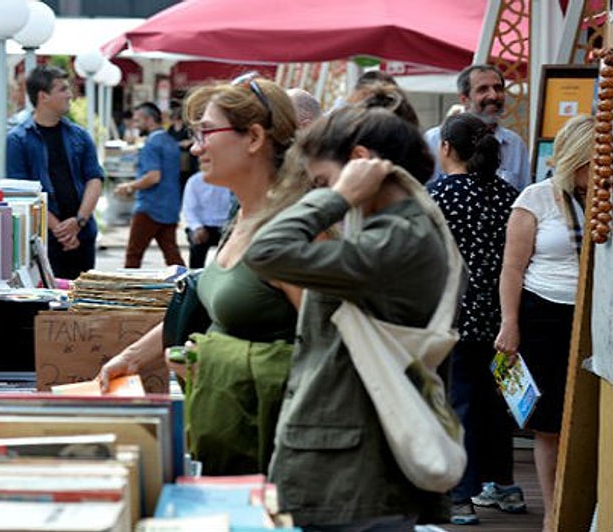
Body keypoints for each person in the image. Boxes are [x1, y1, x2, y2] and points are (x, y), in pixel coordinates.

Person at [244, 106, 451, 529]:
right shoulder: (392, 230)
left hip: (354, 478)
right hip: (352, 467)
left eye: (319, 182)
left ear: (359, 164)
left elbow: (266, 250)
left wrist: (337, 197)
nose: (316, 192)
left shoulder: (397, 240)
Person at [98, 75, 306, 476]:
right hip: (236, 446)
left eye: (206, 132)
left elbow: (330, 349)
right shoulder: (242, 217)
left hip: (278, 459)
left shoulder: (294, 231)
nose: (195, 147)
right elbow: (208, 301)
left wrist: (210, 362)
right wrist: (132, 358)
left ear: (254, 137)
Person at [494, 114, 592, 532]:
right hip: (544, 312)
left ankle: (589, 507)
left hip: (594, 318)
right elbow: (512, 269)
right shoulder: (535, 197)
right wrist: (509, 323)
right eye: (592, 160)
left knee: (591, 415)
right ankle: (553, 513)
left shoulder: (603, 197)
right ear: (574, 157)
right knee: (549, 422)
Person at [427, 113, 520, 525]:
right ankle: (502, 484)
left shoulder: (437, 195)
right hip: (501, 315)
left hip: (452, 313)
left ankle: (460, 495)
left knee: (458, 402)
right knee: (496, 402)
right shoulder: (506, 194)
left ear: (445, 147)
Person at [6, 65, 105, 280]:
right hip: (42, 240)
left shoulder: (80, 135)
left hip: (83, 235)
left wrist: (78, 222)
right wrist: (61, 230)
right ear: (43, 96)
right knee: (48, 309)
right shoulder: (18, 140)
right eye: (63, 89)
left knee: (81, 304)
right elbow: (21, 192)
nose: (70, 95)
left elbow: (94, 179)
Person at [424, 65, 530, 190]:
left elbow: (523, 195)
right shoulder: (435, 139)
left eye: (498, 88)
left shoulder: (514, 144)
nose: (493, 96)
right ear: (464, 99)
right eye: (483, 89)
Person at [115, 102, 184, 268]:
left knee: (133, 256)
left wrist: (129, 187)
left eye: (138, 120)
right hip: (170, 206)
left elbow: (153, 177)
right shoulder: (171, 142)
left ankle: (127, 293)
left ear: (149, 119)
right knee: (172, 255)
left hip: (149, 207)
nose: (135, 124)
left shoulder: (152, 143)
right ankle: (187, 289)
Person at [181, 171, 233, 268]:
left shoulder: (231, 179)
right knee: (197, 242)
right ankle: (195, 274)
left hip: (225, 225)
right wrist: (198, 227)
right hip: (202, 225)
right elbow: (189, 210)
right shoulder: (195, 181)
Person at [166, 104, 197, 197]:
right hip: (174, 158)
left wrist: (187, 142)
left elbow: (193, 139)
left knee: (185, 179)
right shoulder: (171, 129)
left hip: (186, 158)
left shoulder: (187, 128)